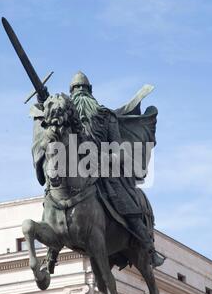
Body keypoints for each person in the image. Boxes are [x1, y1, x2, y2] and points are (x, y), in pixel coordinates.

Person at [69, 71, 164, 268]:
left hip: (105, 173)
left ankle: (148, 247)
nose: (79, 93)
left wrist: (103, 158)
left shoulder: (106, 116)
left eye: (82, 89)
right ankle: (51, 254)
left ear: (90, 92)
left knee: (126, 202)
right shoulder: (67, 116)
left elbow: (120, 151)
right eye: (76, 90)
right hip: (74, 171)